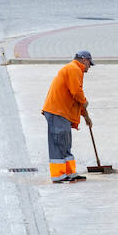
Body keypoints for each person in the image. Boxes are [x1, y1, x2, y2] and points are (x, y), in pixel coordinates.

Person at [41, 50, 94, 183]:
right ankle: (58, 175)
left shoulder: (76, 70)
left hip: (61, 112)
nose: (89, 67)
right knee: (58, 142)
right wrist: (85, 102)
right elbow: (77, 92)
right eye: (89, 63)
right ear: (84, 60)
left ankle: (70, 173)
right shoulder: (74, 69)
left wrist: (86, 116)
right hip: (57, 112)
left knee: (65, 142)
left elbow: (76, 97)